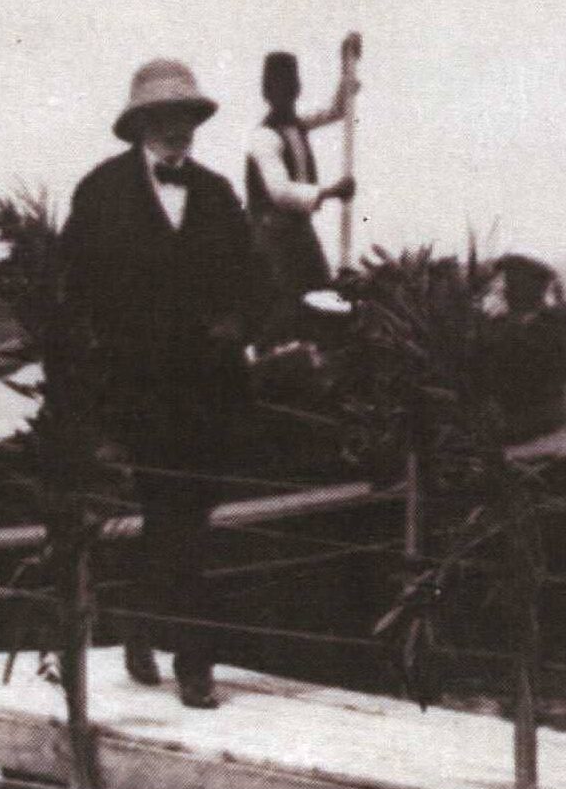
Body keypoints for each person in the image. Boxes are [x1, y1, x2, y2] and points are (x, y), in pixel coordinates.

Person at [57, 58, 267, 709]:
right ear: (141, 123)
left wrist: (238, 323)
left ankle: (148, 625)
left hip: (208, 390)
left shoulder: (217, 194)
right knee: (174, 517)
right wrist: (92, 389)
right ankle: (190, 659)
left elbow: (253, 281)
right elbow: (72, 294)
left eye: (186, 116)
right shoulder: (100, 193)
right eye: (164, 116)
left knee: (185, 518)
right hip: (137, 391)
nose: (178, 128)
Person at [244, 50, 356, 329]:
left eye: (290, 85)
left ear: (298, 88)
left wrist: (347, 66)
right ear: (266, 92)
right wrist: (330, 192)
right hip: (271, 238)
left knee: (322, 300)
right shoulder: (263, 136)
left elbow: (337, 110)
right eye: (278, 87)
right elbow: (280, 192)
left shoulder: (298, 125)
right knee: (285, 307)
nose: (286, 93)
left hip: (299, 231)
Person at [477, 254, 566, 442]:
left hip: (516, 429)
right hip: (538, 425)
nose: (504, 291)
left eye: (509, 285)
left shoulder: (494, 327)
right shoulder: (558, 325)